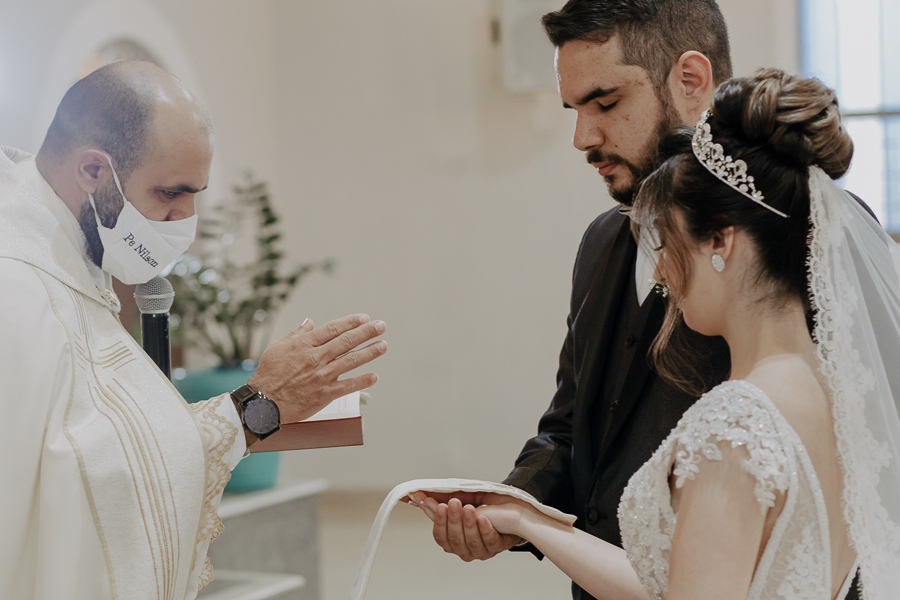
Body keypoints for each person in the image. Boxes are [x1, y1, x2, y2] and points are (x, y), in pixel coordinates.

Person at [429, 69, 900, 599]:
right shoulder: (837, 392)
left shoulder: (735, 425)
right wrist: (529, 520)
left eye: (670, 242)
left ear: (720, 240)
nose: (658, 272)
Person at [0, 60, 387, 600]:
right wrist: (260, 407)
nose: (185, 220)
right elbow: (70, 490)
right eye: (170, 193)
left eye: (196, 195)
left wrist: (271, 408)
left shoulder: (65, 255)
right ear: (92, 171)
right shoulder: (16, 285)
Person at [414, 1, 734, 596]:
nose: (582, 137)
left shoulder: (788, 242)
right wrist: (512, 506)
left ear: (691, 80)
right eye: (575, 109)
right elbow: (569, 424)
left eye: (606, 103)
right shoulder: (602, 241)